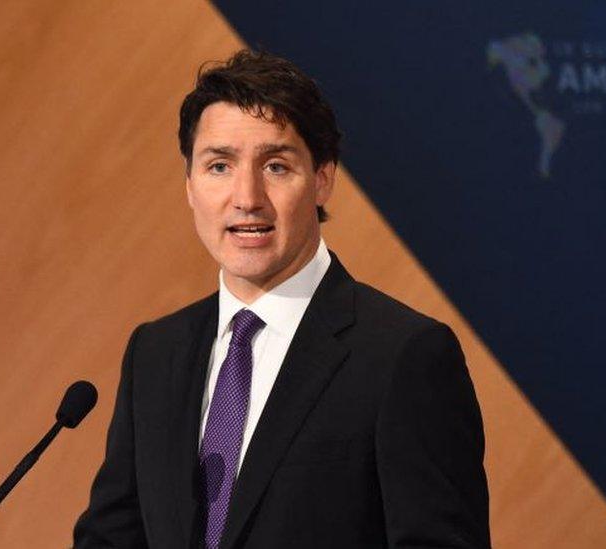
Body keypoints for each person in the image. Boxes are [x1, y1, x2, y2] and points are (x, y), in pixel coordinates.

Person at [73, 50, 490, 549]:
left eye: (275, 166)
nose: (247, 197)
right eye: (219, 165)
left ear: (322, 179)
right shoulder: (155, 353)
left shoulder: (405, 355)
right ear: (189, 186)